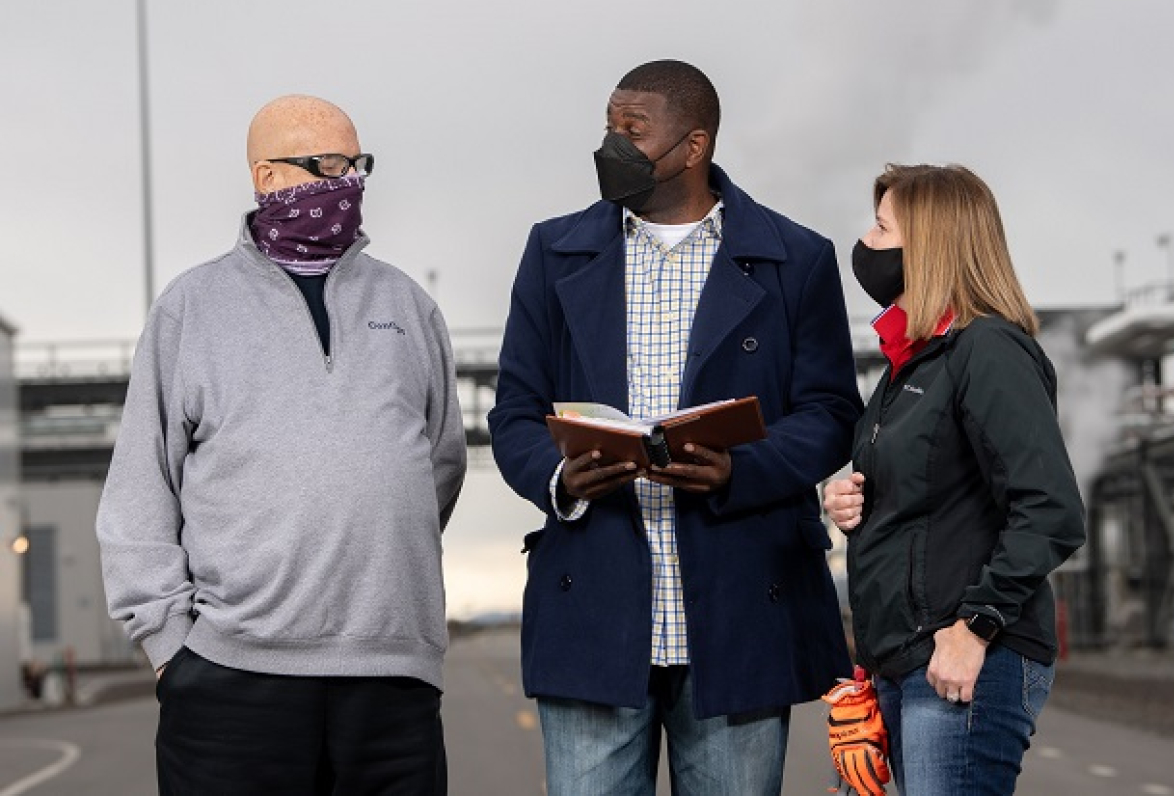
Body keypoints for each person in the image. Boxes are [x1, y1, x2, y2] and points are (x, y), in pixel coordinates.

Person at [488, 59, 862, 795]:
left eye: (633, 131)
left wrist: (740, 469)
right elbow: (514, 410)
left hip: (742, 614)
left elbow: (830, 413)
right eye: (608, 127)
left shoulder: (797, 261)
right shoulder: (553, 250)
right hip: (592, 611)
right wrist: (561, 476)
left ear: (694, 147)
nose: (612, 146)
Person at [96, 95, 467, 794]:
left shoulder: (409, 306)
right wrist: (170, 648)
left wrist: (376, 555)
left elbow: (437, 467)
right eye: (327, 164)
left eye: (357, 164)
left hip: (391, 683)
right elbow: (142, 488)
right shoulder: (192, 307)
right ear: (267, 177)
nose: (348, 181)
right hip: (231, 680)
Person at [823, 164, 1086, 795]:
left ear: (929, 245)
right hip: (907, 658)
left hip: (966, 656)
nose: (867, 242)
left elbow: (1051, 510)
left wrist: (976, 629)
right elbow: (928, 499)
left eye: (882, 227)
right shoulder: (907, 366)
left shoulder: (987, 349)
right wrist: (848, 499)